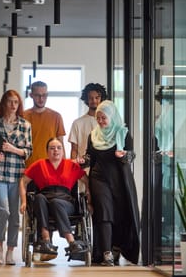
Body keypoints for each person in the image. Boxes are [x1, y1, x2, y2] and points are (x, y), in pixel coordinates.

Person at [84, 100, 140, 266]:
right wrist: (82, 160)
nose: (100, 122)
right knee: (104, 212)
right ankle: (106, 252)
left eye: (103, 118)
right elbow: (89, 157)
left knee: (120, 214)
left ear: (112, 116)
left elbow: (131, 155)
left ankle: (116, 247)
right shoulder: (93, 136)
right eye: (98, 118)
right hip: (98, 178)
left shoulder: (122, 134)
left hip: (119, 180)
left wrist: (124, 155)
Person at [19, 137, 91, 260]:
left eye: (58, 148)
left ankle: (71, 241)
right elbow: (23, 181)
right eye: (52, 148)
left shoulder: (71, 165)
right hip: (45, 201)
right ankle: (46, 240)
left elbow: (86, 181)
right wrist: (24, 202)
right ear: (47, 151)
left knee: (56, 202)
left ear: (63, 150)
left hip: (66, 202)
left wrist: (89, 199)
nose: (55, 151)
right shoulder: (39, 164)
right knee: (39, 198)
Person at [0, 89, 32, 265]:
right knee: (2, 210)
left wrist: (13, 149)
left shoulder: (25, 125)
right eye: (10, 101)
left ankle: (11, 250)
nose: (13, 105)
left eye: (16, 102)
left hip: (17, 175)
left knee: (15, 216)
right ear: (4, 103)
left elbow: (28, 151)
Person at [24, 81, 66, 167]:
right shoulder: (23, 116)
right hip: (28, 167)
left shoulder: (56, 116)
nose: (41, 99)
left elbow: (60, 143)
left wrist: (64, 166)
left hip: (51, 166)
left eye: (44, 95)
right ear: (31, 95)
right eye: (37, 95)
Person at [68, 83, 107, 160]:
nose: (94, 101)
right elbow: (74, 150)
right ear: (86, 99)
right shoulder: (77, 123)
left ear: (101, 99)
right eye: (90, 98)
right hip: (84, 169)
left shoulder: (108, 122)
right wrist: (73, 169)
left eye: (97, 98)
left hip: (104, 169)